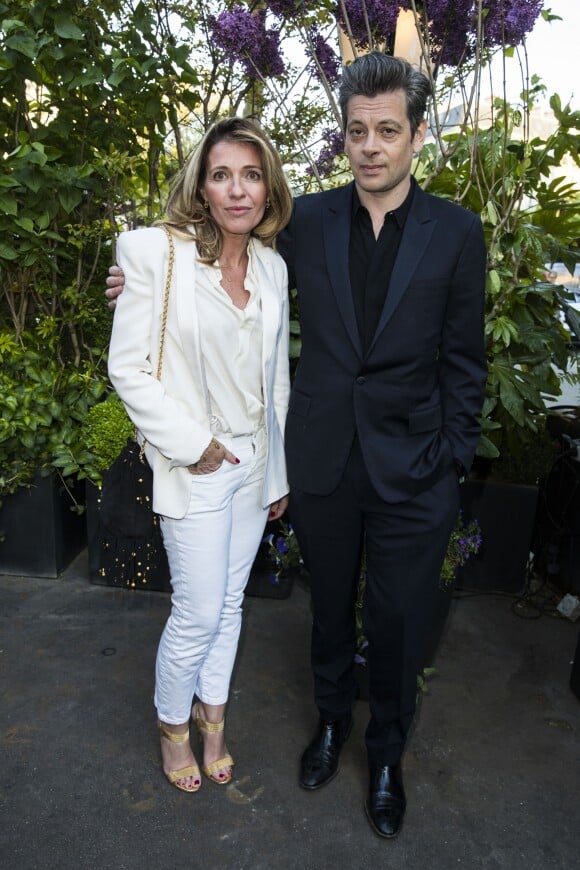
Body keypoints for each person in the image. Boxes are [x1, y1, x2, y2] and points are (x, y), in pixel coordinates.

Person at [107, 53, 487, 837]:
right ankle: (329, 725)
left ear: (418, 135)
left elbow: (465, 358)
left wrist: (452, 457)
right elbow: (207, 241)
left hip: (416, 470)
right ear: (343, 139)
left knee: (399, 619)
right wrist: (126, 277)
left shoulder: (456, 231)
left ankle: (386, 753)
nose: (372, 145)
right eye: (357, 131)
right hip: (322, 463)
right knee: (327, 616)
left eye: (388, 130)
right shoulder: (305, 220)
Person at [107, 117, 293, 794]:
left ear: (268, 188)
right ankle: (171, 728)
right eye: (221, 175)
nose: (237, 189)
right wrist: (195, 447)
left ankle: (214, 722)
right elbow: (129, 369)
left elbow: (277, 382)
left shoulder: (271, 267)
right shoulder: (157, 255)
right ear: (202, 186)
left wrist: (276, 470)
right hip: (197, 463)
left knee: (232, 604)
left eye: (251, 174)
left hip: (253, 467)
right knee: (199, 611)